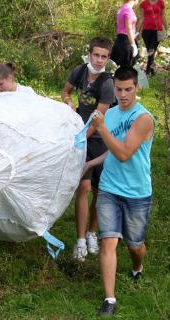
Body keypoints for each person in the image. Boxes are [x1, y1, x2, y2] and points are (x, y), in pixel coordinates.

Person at [88, 66, 154, 316]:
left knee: (134, 244)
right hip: (109, 187)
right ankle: (110, 300)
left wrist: (101, 128)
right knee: (108, 241)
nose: (123, 94)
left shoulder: (144, 118)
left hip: (137, 192)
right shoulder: (112, 114)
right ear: (113, 88)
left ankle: (138, 266)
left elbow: (124, 153)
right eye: (118, 89)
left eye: (128, 89)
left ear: (137, 87)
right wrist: (91, 163)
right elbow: (112, 149)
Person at [61, 37, 115, 262]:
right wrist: (68, 103)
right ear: (89, 54)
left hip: (97, 138)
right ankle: (80, 240)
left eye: (104, 56)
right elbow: (65, 92)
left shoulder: (107, 83)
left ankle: (93, 232)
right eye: (96, 55)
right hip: (78, 135)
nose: (100, 60)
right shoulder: (80, 71)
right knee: (82, 188)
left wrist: (80, 139)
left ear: (108, 58)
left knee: (98, 190)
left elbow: (97, 121)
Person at [138, 0, 170, 76]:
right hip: (146, 31)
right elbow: (141, 18)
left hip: (157, 31)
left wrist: (167, 30)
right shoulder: (144, 3)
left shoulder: (161, 2)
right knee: (149, 50)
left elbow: (163, 16)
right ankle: (152, 69)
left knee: (151, 49)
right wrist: (137, 31)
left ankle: (147, 71)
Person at [111, 0, 140, 67]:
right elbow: (128, 27)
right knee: (126, 69)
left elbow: (121, 26)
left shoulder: (122, 8)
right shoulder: (128, 10)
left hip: (120, 39)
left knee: (118, 69)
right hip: (126, 42)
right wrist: (133, 44)